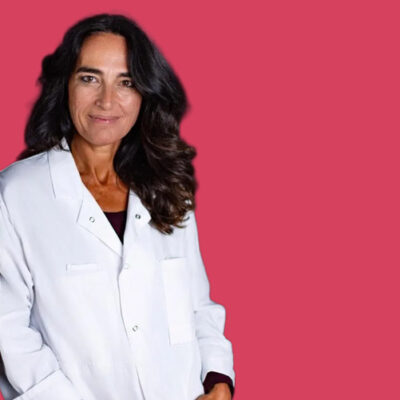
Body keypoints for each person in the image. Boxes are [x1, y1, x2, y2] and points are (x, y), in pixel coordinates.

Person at [0, 13, 235, 400]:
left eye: (126, 82)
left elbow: (198, 306)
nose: (106, 100)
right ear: (66, 85)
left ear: (144, 93)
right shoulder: (16, 195)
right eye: (89, 78)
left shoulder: (167, 187)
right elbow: (8, 331)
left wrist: (217, 379)